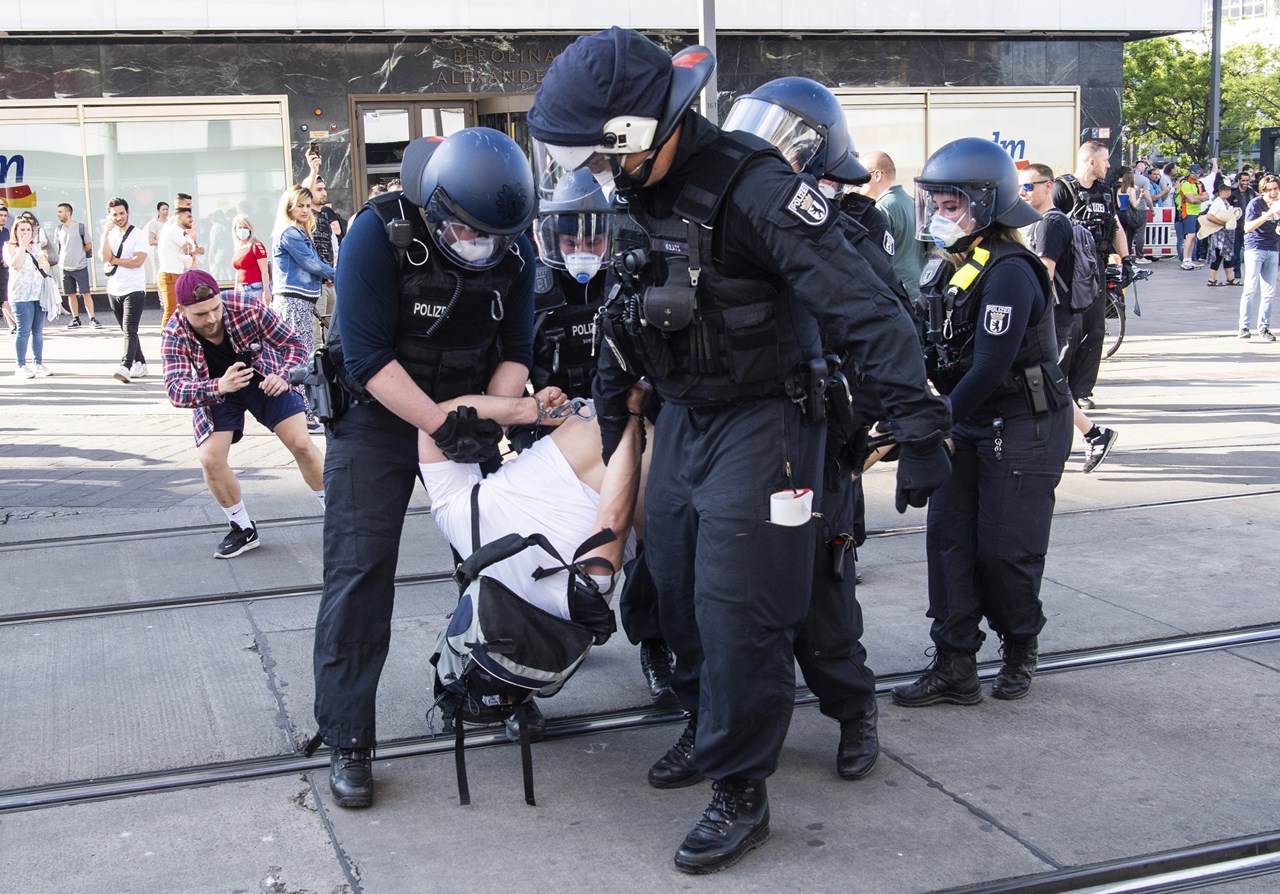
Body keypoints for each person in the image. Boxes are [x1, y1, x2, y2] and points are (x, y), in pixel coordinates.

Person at [528, 29, 951, 874]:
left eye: (603, 154)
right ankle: (703, 722)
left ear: (642, 131)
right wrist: (615, 429)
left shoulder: (756, 189)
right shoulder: (637, 189)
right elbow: (623, 318)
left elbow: (866, 306)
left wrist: (920, 426)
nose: (598, 172)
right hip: (684, 418)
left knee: (739, 611)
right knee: (676, 591)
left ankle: (741, 789)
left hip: (767, 423)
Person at [310, 128, 537, 810]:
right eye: (468, 232)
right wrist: (437, 424)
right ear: (434, 207)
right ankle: (349, 736)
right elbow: (366, 357)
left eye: (495, 237)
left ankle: (497, 685)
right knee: (360, 570)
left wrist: (486, 416)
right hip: (377, 414)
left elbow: (517, 348)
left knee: (491, 556)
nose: (481, 245)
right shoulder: (377, 233)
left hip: (466, 409)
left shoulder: (514, 245)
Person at [723, 74, 901, 781]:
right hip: (744, 444)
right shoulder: (729, 227)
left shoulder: (846, 236)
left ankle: (855, 713)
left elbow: (886, 335)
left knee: (824, 606)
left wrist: (857, 429)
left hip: (820, 446)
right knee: (735, 606)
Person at [892, 138, 1073, 711]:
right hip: (967, 420)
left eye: (952, 206)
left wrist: (931, 428)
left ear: (986, 206)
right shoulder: (949, 268)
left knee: (1004, 551)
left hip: (1023, 423)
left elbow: (992, 366)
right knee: (949, 542)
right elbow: (935, 351)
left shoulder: (1010, 271)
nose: (940, 215)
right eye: (936, 204)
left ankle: (1019, 645)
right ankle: (954, 665)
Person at [162, 269, 325, 558]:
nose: (211, 319)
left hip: (265, 378)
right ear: (182, 310)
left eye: (215, 309)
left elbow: (294, 344)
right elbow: (175, 389)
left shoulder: (246, 305)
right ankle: (242, 528)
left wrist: (285, 375)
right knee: (210, 459)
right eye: (200, 314)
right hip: (216, 390)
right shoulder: (174, 332)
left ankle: (337, 515)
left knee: (301, 442)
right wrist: (218, 386)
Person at [1020, 163, 1119, 472]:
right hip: (1053, 316)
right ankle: (1078, 436)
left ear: (1048, 186)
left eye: (1029, 186)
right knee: (1041, 380)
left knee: (1046, 380)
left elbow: (1044, 275)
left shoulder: (1050, 224)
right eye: (1020, 187)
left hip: (1050, 317)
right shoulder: (1048, 221)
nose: (1023, 192)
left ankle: (1091, 434)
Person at [1053, 141, 1133, 411]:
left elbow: (1116, 226)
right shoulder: (1063, 189)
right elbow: (1048, 224)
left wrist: (1126, 259)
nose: (1109, 165)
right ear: (1092, 162)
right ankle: (1058, 390)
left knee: (1095, 330)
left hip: (1095, 265)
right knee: (1070, 331)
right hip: (1068, 269)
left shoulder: (1105, 192)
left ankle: (1082, 390)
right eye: (1105, 160)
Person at [271, 185, 335, 363]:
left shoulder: (297, 231)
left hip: (299, 300)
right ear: (288, 207)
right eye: (300, 206)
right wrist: (340, 275)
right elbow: (311, 263)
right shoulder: (289, 232)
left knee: (302, 352)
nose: (305, 210)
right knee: (299, 355)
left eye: (308, 205)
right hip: (293, 301)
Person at [860, 150, 928, 301]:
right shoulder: (909, 200)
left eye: (862, 176)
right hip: (918, 289)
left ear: (877, 175)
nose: (858, 182)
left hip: (901, 294)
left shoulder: (882, 208)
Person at [99, 197, 151, 384]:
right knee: (127, 330)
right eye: (115, 214)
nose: (119, 217)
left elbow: (138, 261)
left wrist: (115, 260)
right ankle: (141, 362)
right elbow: (104, 257)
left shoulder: (139, 234)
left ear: (128, 212)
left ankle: (125, 366)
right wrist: (105, 234)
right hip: (114, 289)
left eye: (122, 213)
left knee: (130, 329)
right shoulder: (109, 233)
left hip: (134, 288)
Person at [4, 215, 53, 378]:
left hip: (38, 294)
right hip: (20, 295)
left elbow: (45, 270)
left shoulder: (36, 247)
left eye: (28, 230)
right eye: (22, 230)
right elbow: (15, 265)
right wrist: (22, 246)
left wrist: (44, 259)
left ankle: (38, 363)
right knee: (23, 330)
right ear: (15, 231)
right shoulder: (9, 247)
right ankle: (21, 365)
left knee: (37, 331)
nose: (25, 233)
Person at [302, 149, 342, 322]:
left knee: (331, 329)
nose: (323, 192)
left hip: (330, 282)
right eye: (318, 189)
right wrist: (313, 170)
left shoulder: (325, 216)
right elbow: (305, 192)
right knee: (316, 332)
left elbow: (334, 248)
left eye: (324, 189)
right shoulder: (307, 216)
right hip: (315, 284)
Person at [1239, 172, 1280, 342]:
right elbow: (1248, 227)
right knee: (1250, 287)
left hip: (1272, 247)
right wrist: (1269, 214)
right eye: (1269, 190)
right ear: (1263, 191)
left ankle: (1264, 327)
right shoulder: (1255, 204)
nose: (1273, 193)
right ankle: (1244, 326)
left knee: (1269, 292)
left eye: (1276, 189)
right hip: (1255, 247)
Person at [55, 203, 100, 329]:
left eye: (60, 212)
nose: (58, 214)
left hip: (80, 266)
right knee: (70, 294)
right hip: (65, 267)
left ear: (68, 213)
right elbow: (59, 246)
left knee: (85, 293)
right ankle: (75, 319)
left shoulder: (81, 227)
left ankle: (92, 318)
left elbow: (88, 245)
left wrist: (79, 254)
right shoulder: (58, 229)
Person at [157, 199, 197, 328]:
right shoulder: (174, 230)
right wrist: (190, 251)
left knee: (177, 310)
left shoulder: (179, 232)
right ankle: (165, 337)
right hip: (169, 275)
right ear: (179, 217)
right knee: (171, 311)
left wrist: (190, 251)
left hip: (176, 274)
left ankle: (173, 335)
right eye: (188, 216)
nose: (191, 220)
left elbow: (191, 248)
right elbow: (189, 247)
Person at [1201, 180, 1240, 287]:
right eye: (1224, 190)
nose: (1227, 192)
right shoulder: (1217, 202)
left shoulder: (1225, 202)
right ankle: (1212, 279)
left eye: (1229, 190)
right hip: (1219, 233)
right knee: (1218, 255)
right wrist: (1221, 223)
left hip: (1225, 233)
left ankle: (1230, 278)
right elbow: (1209, 216)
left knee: (1227, 256)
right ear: (1219, 191)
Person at [231, 215, 271, 304]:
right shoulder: (238, 247)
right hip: (241, 289)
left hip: (255, 288)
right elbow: (238, 271)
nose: (242, 230)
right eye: (240, 227)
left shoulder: (256, 245)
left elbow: (264, 270)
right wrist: (235, 290)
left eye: (245, 227)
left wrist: (266, 291)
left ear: (250, 229)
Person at [1178, 164, 1210, 270]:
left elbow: (1207, 196)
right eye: (1193, 172)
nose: (1195, 175)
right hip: (1188, 212)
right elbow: (1191, 200)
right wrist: (1200, 198)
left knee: (1193, 237)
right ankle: (1185, 260)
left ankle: (1189, 259)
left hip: (1197, 211)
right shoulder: (1185, 183)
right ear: (1189, 172)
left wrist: (1196, 198)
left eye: (1197, 172)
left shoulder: (1200, 183)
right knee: (1190, 236)